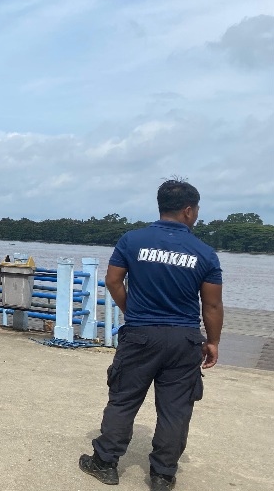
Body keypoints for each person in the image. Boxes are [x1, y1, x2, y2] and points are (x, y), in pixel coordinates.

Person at [79, 179, 223, 490]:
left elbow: (113, 282)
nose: (196, 215)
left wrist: (134, 312)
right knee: (176, 408)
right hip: (184, 339)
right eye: (196, 210)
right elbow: (211, 304)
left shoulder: (132, 241)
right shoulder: (204, 253)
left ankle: (105, 464)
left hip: (141, 335)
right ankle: (162, 475)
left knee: (124, 400)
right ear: (187, 210)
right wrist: (212, 342)